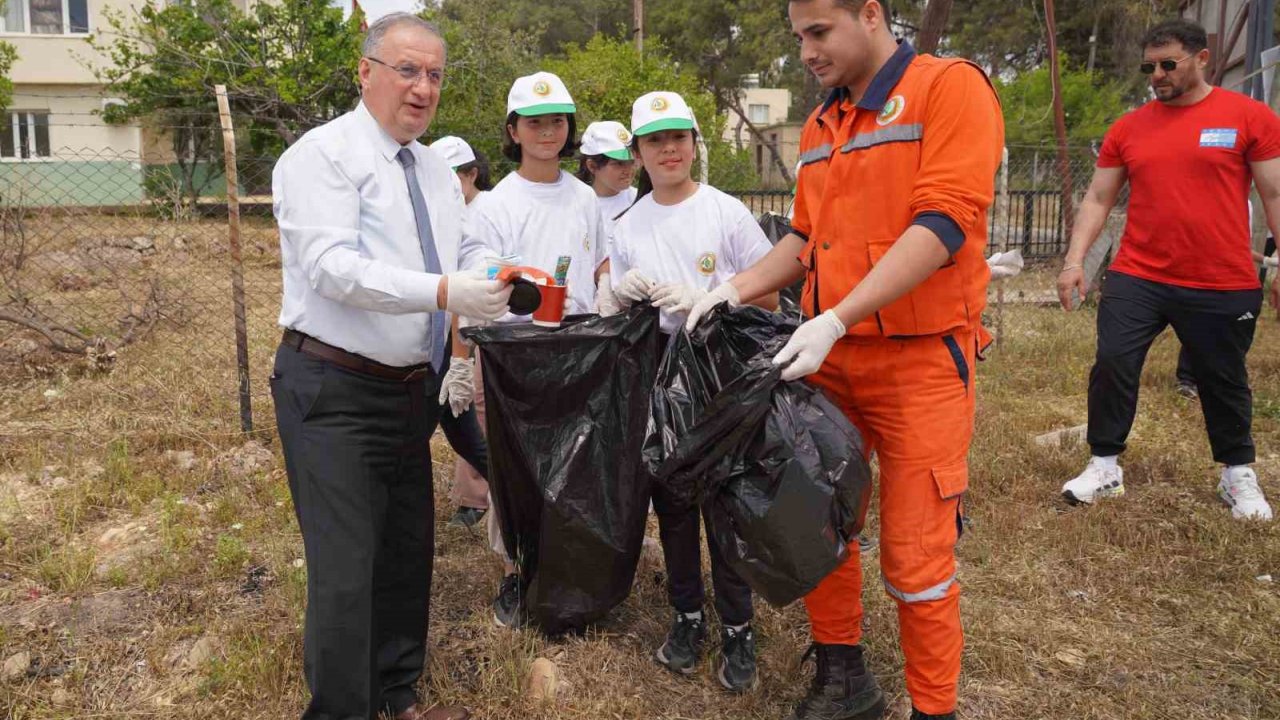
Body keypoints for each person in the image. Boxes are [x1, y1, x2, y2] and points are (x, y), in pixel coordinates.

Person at [685, 0, 1003, 717]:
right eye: (798, 37)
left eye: (819, 33)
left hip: (921, 361)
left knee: (916, 553)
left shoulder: (946, 89)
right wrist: (735, 290)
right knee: (815, 519)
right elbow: (803, 236)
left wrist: (837, 315)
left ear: (869, 14)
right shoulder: (821, 122)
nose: (806, 52)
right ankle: (842, 677)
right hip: (827, 359)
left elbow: (944, 222)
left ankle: (933, 707)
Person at [270, 13, 512, 720]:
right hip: (334, 390)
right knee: (346, 570)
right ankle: (344, 708)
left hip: (412, 389)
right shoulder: (322, 157)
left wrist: (490, 276)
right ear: (365, 70)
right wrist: (444, 292)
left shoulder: (436, 170)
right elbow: (332, 269)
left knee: (407, 553)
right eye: (407, 70)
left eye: (434, 75)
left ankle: (397, 692)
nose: (422, 88)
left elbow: (461, 250)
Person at [1057, 19, 1280, 521]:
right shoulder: (1129, 128)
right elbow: (1097, 198)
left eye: (1167, 65)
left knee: (1222, 377)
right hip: (1140, 274)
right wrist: (1075, 262)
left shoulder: (1250, 117)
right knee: (1113, 362)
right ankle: (1104, 465)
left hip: (1221, 279)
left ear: (1202, 59)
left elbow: (1274, 193)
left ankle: (1236, 472)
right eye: (1149, 67)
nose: (1156, 75)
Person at [608, 91, 777, 693]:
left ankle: (738, 625)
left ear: (694, 142)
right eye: (655, 140)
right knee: (672, 501)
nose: (669, 149)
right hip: (659, 373)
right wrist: (620, 294)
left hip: (720, 368)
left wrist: (711, 298)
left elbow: (770, 297)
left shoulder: (725, 212)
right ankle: (686, 615)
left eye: (678, 137)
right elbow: (616, 311)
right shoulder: (625, 225)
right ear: (638, 152)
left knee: (725, 502)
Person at [466, 70, 611, 627]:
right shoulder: (497, 204)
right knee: (517, 464)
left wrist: (605, 291)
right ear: (514, 130)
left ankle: (569, 568)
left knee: (575, 459)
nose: (548, 131)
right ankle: (515, 571)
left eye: (557, 121)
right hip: (517, 347)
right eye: (535, 122)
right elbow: (482, 270)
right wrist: (520, 286)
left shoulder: (585, 198)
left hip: (578, 341)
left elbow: (601, 263)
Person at [428, 135, 493, 528]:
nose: (449, 184)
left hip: (475, 328)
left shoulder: (486, 213)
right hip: (438, 333)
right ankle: (474, 497)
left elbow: (468, 286)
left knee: (472, 414)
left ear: (471, 174)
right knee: (461, 415)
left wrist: (460, 355)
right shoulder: (435, 214)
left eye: (455, 175)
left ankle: (501, 494)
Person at [577, 120, 638, 239]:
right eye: (619, 164)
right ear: (592, 166)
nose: (628, 170)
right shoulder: (576, 205)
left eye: (631, 162)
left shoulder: (639, 200)